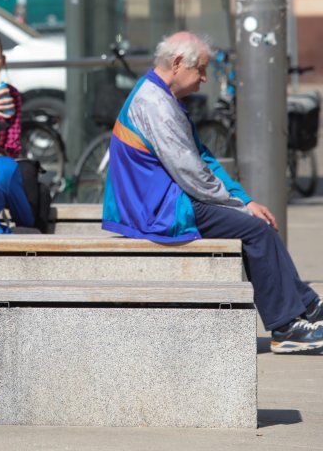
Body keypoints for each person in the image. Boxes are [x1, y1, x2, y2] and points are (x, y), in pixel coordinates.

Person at [102, 31, 323, 353]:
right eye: (201, 70)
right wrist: (241, 207)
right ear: (178, 64)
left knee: (257, 225)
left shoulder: (164, 97)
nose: (204, 78)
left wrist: (245, 200)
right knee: (255, 231)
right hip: (158, 210)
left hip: (169, 199)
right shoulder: (155, 105)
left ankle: (307, 306)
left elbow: (202, 157)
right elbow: (191, 174)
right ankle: (286, 327)